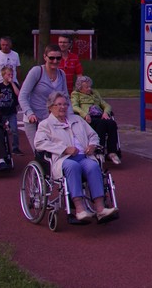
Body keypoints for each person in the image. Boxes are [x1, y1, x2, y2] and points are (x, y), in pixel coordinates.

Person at [34, 91, 118, 223]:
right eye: (59, 104)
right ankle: (80, 209)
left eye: (65, 104)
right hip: (63, 159)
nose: (63, 107)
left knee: (93, 166)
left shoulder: (77, 120)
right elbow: (39, 143)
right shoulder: (45, 124)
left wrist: (92, 145)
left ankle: (100, 209)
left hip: (84, 157)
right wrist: (64, 149)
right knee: (73, 166)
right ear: (50, 107)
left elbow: (93, 135)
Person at [20, 44, 68, 147]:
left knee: (57, 149)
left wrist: (70, 116)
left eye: (58, 58)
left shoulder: (61, 74)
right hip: (35, 120)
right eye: (51, 58)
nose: (55, 61)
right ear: (45, 57)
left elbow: (66, 98)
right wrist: (29, 113)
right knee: (39, 151)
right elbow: (22, 96)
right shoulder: (37, 71)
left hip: (53, 120)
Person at [71, 75, 121, 165]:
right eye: (87, 87)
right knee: (101, 124)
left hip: (100, 116)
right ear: (80, 88)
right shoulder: (75, 94)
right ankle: (99, 151)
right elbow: (74, 106)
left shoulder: (95, 93)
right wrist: (84, 114)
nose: (89, 89)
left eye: (90, 86)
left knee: (112, 123)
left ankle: (112, 152)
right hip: (88, 118)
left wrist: (106, 112)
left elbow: (106, 105)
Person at [0, 65, 22, 154]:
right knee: (0, 130)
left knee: (14, 130)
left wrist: (12, 83)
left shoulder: (14, 85)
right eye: (8, 75)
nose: (10, 76)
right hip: (1, 112)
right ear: (3, 75)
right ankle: (1, 147)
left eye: (12, 74)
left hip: (11, 111)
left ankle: (15, 147)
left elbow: (18, 93)